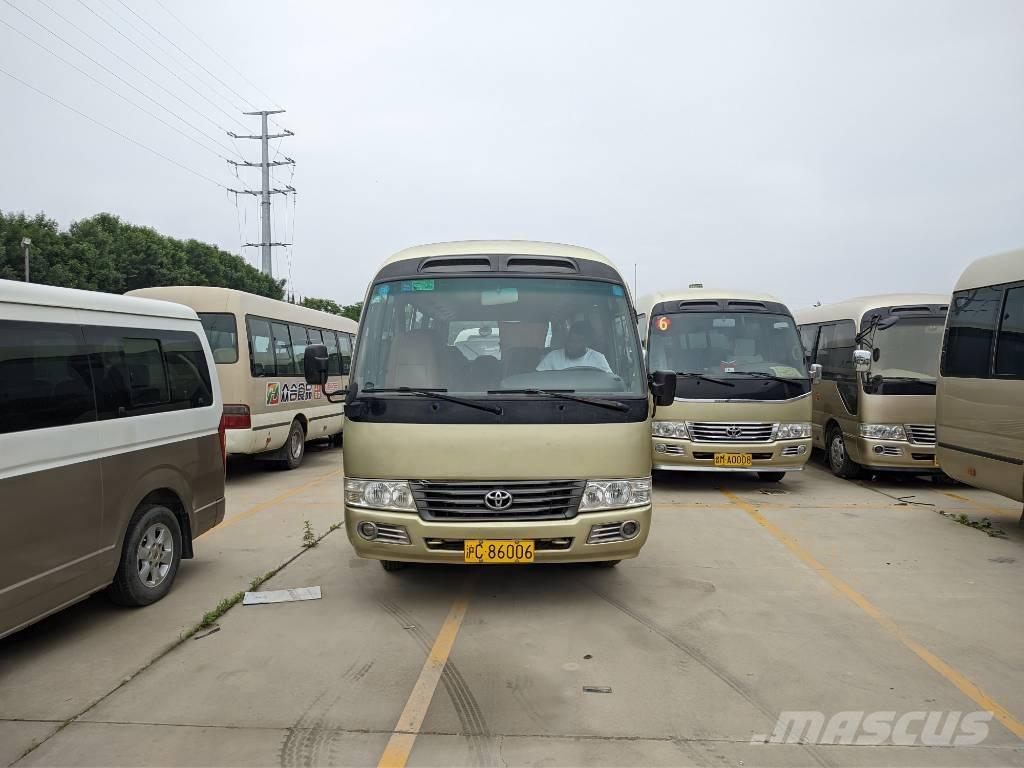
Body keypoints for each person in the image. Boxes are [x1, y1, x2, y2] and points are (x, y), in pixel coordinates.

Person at [536, 322, 613, 373]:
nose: (571, 345)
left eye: (577, 342)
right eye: (570, 340)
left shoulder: (598, 358)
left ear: (586, 343)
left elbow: (609, 382)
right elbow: (538, 379)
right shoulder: (553, 357)